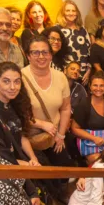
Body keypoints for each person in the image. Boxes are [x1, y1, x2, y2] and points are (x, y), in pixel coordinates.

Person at [22, 36, 73, 167]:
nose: (41, 56)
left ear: (51, 55)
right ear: (28, 56)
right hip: (30, 140)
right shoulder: (20, 78)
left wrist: (61, 135)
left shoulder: (60, 77)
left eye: (45, 52)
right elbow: (16, 113)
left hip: (54, 136)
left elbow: (66, 108)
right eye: (35, 52)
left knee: (63, 173)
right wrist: (40, 124)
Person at [0, 62, 40, 166]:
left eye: (17, 82)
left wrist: (33, 158)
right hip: (2, 166)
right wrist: (19, 163)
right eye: (6, 81)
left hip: (21, 157)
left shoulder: (15, 103)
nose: (13, 87)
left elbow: (21, 136)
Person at [71, 71, 104, 164]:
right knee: (100, 162)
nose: (98, 88)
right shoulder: (84, 105)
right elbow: (74, 129)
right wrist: (94, 138)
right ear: (90, 86)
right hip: (90, 145)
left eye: (101, 85)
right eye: (95, 85)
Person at [56, 0, 92, 83]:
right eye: (67, 10)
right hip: (65, 76)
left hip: (83, 75)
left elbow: (89, 51)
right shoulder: (58, 29)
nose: (71, 13)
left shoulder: (82, 29)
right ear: (63, 13)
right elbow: (55, 55)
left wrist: (88, 71)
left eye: (73, 10)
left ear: (77, 13)